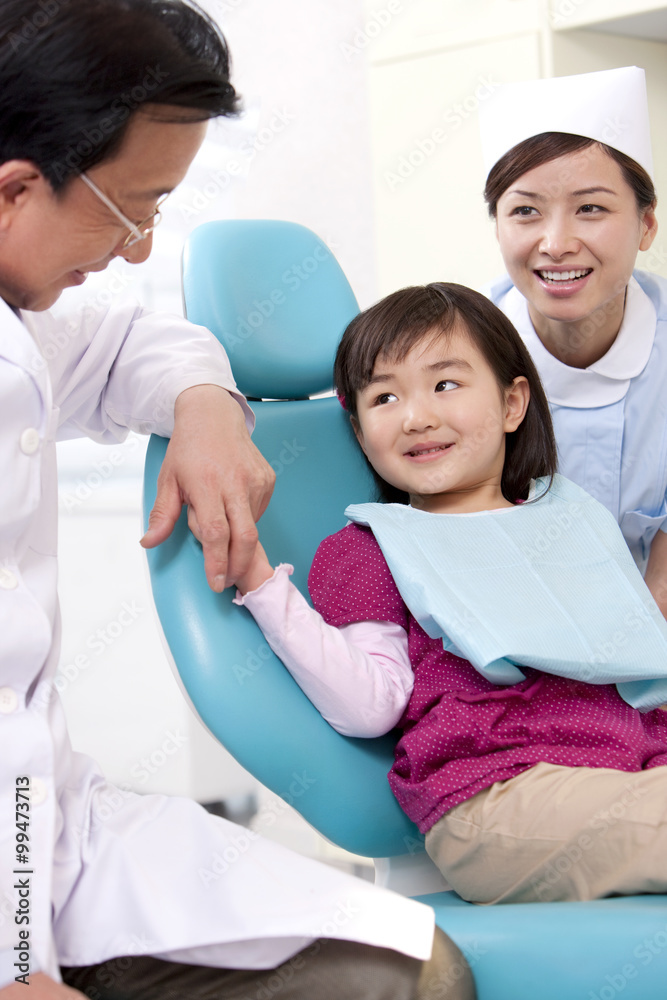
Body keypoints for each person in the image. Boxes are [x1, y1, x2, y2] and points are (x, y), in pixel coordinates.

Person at [0, 2, 473, 997]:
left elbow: (141, 338)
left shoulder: (27, 324)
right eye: (135, 210)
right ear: (14, 191)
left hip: (48, 830)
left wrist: (208, 405)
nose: (139, 249)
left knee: (411, 971)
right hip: (15, 872)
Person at [235, 281, 667, 908]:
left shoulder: (569, 517)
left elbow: (637, 663)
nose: (416, 416)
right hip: (497, 799)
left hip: (632, 771)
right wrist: (261, 583)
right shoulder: (375, 545)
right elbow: (369, 704)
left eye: (444, 384)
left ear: (513, 402)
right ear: (359, 431)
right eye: (384, 397)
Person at [477, 66, 667, 618]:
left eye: (591, 207)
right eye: (525, 211)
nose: (556, 244)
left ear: (646, 224)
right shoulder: (449, 356)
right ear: (497, 228)